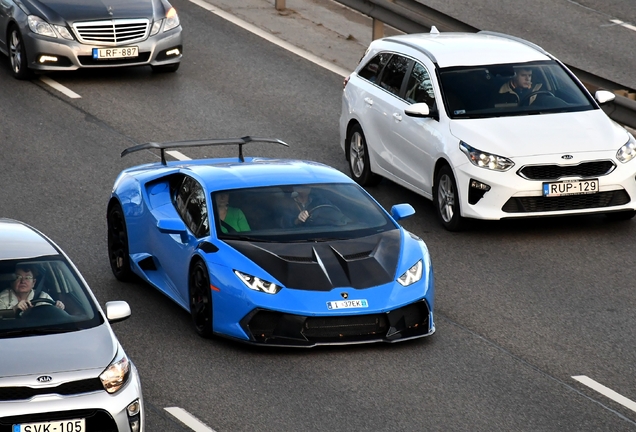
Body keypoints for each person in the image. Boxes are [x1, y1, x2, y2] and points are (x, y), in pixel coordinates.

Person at [0, 264, 64, 313]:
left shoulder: (43, 297)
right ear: (12, 281)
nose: (23, 281)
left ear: (33, 282)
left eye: (27, 277)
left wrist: (58, 308)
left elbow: (52, 315)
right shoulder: (2, 298)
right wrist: (14, 310)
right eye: (18, 277)